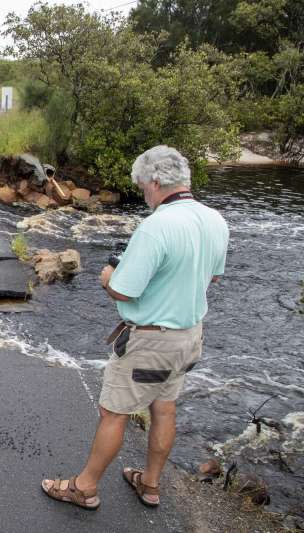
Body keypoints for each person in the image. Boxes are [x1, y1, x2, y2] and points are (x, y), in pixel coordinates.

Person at [41, 145, 229, 510]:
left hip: (150, 340)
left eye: (143, 186)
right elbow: (213, 276)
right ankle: (151, 484)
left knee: (114, 412)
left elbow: (123, 289)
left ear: (156, 181)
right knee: (164, 407)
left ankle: (84, 488)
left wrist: (109, 275)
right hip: (189, 336)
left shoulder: (156, 226)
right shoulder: (215, 220)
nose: (144, 193)